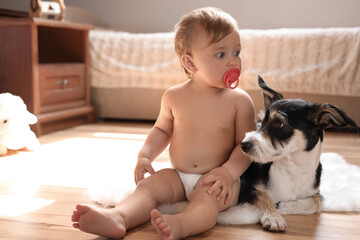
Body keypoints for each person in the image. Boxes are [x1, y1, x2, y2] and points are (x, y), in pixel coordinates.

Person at [71, 7, 256, 240]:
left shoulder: (239, 101)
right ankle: (119, 217)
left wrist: (227, 173)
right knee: (148, 188)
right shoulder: (174, 96)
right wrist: (145, 156)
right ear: (190, 63)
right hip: (178, 175)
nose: (233, 62)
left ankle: (184, 224)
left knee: (206, 203)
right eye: (221, 55)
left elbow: (247, 146)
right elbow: (161, 130)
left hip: (216, 179)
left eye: (236, 52)